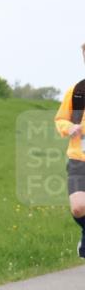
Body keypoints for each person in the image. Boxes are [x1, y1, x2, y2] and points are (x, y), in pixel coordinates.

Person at [54, 42, 85, 258]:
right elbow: (60, 119)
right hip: (78, 158)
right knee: (78, 208)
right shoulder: (76, 92)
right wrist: (69, 127)